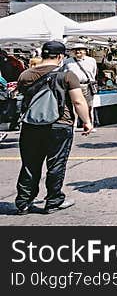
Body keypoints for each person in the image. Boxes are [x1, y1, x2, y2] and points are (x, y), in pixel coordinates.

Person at [15, 41, 93, 214]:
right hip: (59, 124)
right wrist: (86, 121)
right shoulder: (67, 75)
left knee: (29, 163)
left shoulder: (25, 75)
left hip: (31, 125)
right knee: (56, 164)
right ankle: (53, 200)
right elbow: (78, 101)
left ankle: (23, 202)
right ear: (60, 56)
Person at [64, 41, 99, 128]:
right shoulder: (67, 62)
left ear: (85, 51)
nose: (78, 51)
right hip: (73, 86)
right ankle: (74, 125)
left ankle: (90, 124)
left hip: (87, 86)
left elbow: (94, 73)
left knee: (89, 106)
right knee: (74, 106)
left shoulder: (92, 61)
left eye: (80, 49)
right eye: (75, 50)